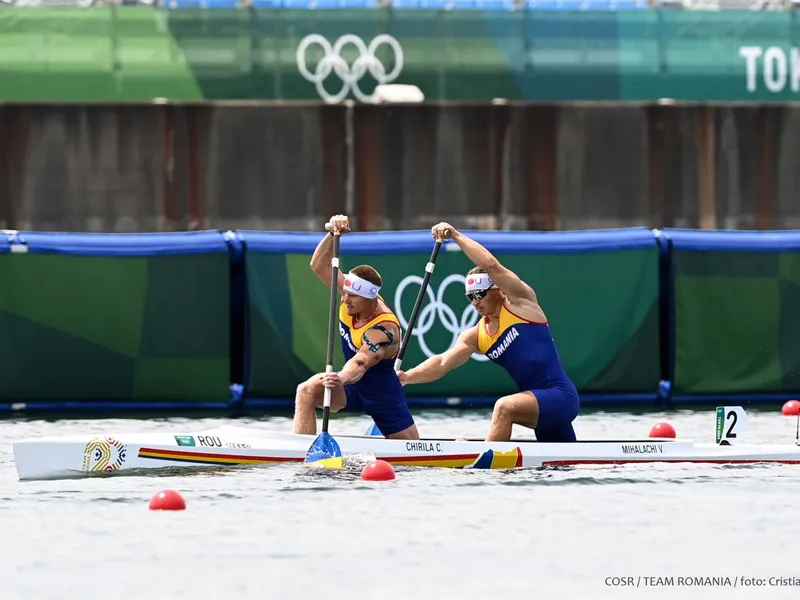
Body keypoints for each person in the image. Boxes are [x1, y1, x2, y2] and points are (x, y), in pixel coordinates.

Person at [397, 222, 579, 443]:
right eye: (469, 297)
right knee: (561, 466)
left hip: (561, 396)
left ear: (498, 290)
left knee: (504, 408)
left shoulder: (520, 304)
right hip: (538, 405)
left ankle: (484, 468)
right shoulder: (476, 335)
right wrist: (406, 377)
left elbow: (491, 265)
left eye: (480, 294)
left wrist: (455, 235)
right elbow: (443, 363)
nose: (475, 302)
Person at [292, 214, 420, 440]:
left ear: (371, 298)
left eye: (353, 297)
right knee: (306, 390)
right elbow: (318, 265)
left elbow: (361, 362)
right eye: (345, 293)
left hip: (382, 395)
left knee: (413, 455)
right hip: (349, 389)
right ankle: (302, 451)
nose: (345, 300)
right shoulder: (351, 296)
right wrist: (332, 234)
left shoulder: (384, 329)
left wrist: (340, 378)